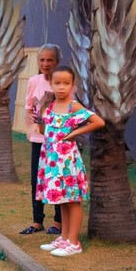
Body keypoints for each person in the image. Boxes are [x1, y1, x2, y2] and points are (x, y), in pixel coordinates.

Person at [36, 66, 105, 257]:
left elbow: (98, 122)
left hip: (67, 160)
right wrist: (37, 119)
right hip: (51, 159)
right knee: (62, 200)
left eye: (66, 83)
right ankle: (64, 238)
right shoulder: (50, 106)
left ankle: (74, 242)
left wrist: (74, 133)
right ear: (51, 83)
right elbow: (45, 131)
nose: (61, 87)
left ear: (73, 85)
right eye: (57, 83)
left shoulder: (72, 106)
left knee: (72, 200)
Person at [20, 44, 64, 235]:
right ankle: (37, 221)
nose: (45, 64)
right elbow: (29, 107)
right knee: (36, 180)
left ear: (57, 61)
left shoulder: (63, 80)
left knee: (56, 179)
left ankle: (58, 223)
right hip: (38, 138)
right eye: (42, 60)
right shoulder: (33, 81)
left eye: (50, 60)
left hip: (57, 140)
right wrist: (29, 117)